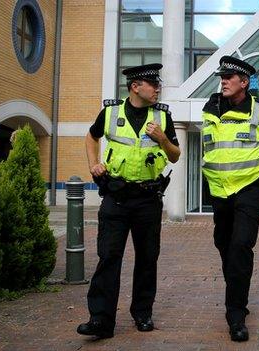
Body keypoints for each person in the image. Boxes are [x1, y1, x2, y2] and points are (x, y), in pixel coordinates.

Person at [76, 63, 180, 339]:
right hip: (116, 197)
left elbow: (175, 155)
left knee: (147, 259)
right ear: (136, 87)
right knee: (109, 257)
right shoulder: (110, 112)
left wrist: (162, 139)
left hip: (148, 199)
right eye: (152, 84)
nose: (157, 88)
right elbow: (91, 136)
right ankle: (100, 319)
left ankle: (142, 313)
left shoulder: (163, 117)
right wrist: (93, 163)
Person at [201, 56, 259, 342]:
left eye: (229, 78)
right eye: (221, 78)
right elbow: (210, 149)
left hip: (249, 190)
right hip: (219, 192)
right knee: (223, 244)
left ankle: (236, 314)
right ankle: (237, 290)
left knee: (240, 246)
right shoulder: (210, 109)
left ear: (244, 82)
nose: (223, 81)